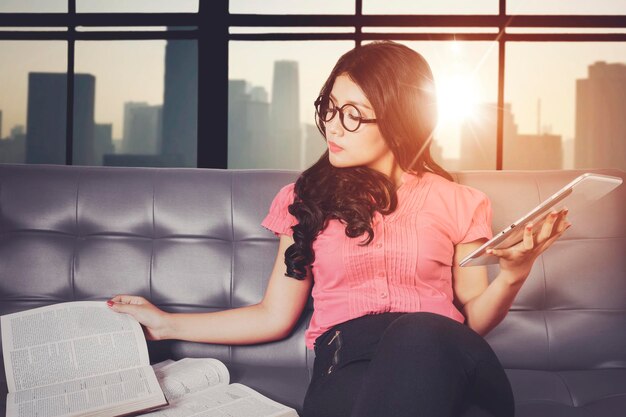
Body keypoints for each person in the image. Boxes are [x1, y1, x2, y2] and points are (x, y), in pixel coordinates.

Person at [108, 40, 571, 417]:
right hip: (344, 359)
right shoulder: (303, 199)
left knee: (420, 333)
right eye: (329, 108)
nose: (333, 125)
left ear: (398, 120)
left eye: (353, 114)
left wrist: (514, 273)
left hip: (447, 356)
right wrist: (165, 324)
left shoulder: (461, 201)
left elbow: (473, 319)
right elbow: (274, 316)